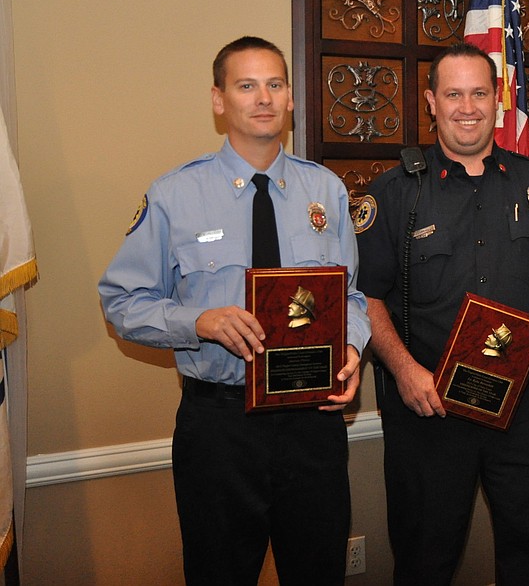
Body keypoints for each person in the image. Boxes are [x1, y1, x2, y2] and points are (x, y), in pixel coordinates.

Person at [98, 36, 370, 586]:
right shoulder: (175, 195)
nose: (263, 97)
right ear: (219, 100)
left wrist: (351, 348)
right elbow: (121, 302)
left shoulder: (328, 191)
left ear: (291, 97)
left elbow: (353, 298)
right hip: (220, 428)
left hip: (312, 426)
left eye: (275, 84)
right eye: (246, 85)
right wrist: (197, 322)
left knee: (319, 573)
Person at [355, 42, 529, 586]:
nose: (468, 107)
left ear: (500, 99)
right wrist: (403, 370)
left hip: (525, 401)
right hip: (430, 405)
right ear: (432, 103)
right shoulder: (394, 194)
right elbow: (365, 296)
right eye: (454, 94)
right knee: (425, 559)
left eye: (480, 93)